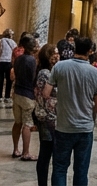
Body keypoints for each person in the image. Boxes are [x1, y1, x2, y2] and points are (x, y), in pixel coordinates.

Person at [49, 37, 97, 186]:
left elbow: (46, 92)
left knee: (60, 168)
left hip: (63, 126)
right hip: (85, 128)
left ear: (74, 48)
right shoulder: (95, 72)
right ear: (89, 51)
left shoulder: (60, 66)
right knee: (81, 170)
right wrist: (89, 111)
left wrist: (60, 101)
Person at [34, 43, 60, 186]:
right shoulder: (45, 73)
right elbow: (44, 96)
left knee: (50, 152)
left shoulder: (52, 71)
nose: (57, 56)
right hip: (47, 118)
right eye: (53, 53)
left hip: (53, 117)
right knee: (45, 153)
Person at [11, 34, 38, 160]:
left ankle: (16, 149)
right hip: (27, 94)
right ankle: (26, 152)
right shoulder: (31, 60)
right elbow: (33, 77)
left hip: (17, 92)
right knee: (27, 124)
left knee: (17, 122)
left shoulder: (19, 59)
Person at [0, 29, 15, 102]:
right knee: (9, 81)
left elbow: (0, 51)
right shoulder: (13, 43)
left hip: (2, 61)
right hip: (9, 62)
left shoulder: (2, 40)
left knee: (1, 80)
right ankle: (7, 96)